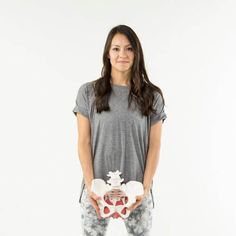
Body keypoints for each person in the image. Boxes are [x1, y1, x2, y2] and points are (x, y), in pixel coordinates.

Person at [72, 24, 167, 236]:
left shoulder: (152, 96)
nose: (122, 54)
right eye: (116, 49)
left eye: (129, 48)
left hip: (136, 190)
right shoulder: (88, 92)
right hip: (96, 189)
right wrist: (90, 186)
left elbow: (155, 146)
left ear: (136, 53)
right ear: (107, 53)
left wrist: (145, 187)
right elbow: (83, 142)